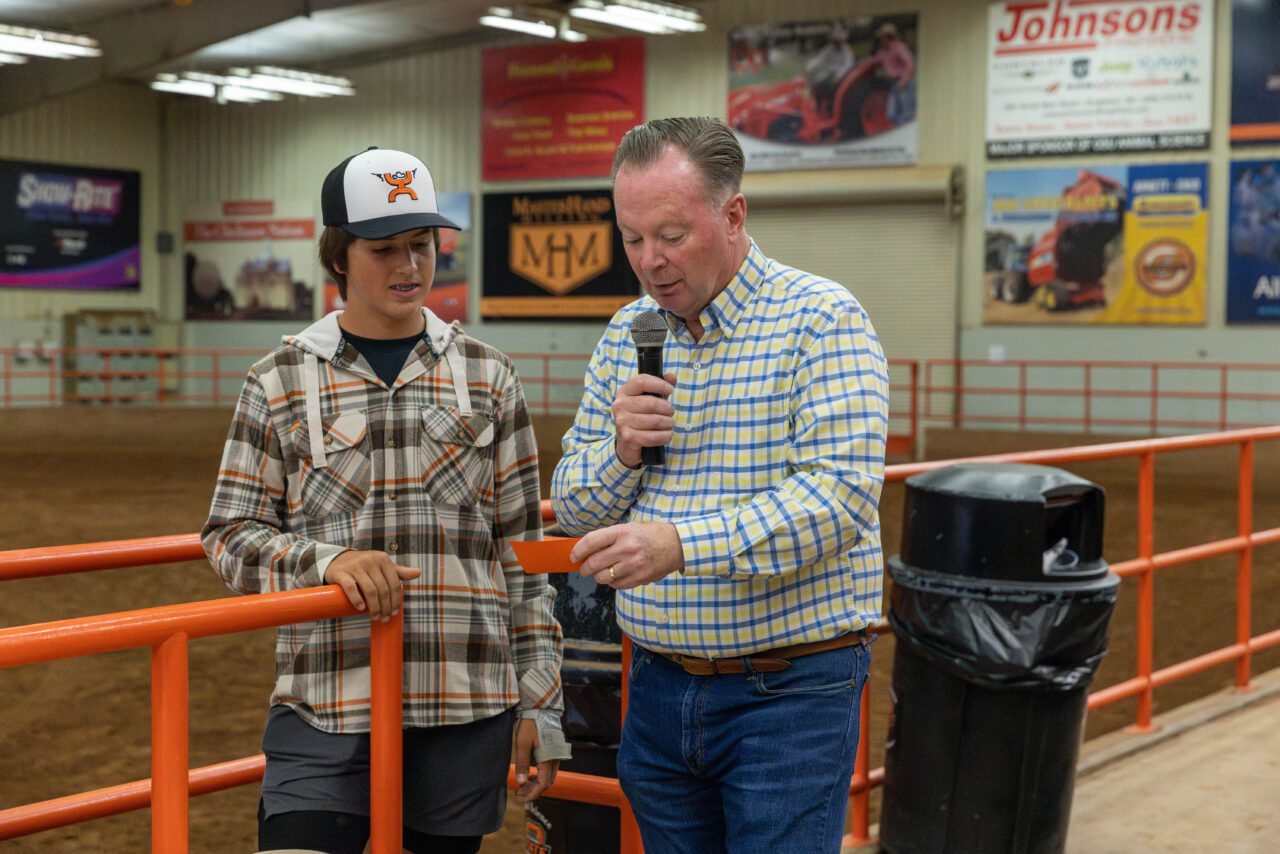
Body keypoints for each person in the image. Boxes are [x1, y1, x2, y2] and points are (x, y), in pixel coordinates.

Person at [203, 146, 570, 854]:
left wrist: (541, 701)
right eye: (384, 249)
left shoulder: (491, 377)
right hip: (325, 703)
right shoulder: (278, 380)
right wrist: (326, 563)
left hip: (465, 706)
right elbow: (230, 534)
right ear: (338, 257)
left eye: (422, 244)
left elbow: (524, 557)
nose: (410, 266)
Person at [550, 117, 890, 854]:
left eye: (671, 235)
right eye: (632, 238)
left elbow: (836, 498)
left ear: (733, 215)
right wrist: (622, 451)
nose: (650, 261)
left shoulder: (822, 321)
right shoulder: (628, 332)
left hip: (790, 693)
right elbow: (573, 505)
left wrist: (679, 544)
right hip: (657, 689)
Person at [804, 21, 856, 115]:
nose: (835, 42)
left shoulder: (846, 50)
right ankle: (817, 106)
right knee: (816, 83)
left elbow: (848, 64)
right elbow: (819, 58)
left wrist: (840, 73)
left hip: (843, 76)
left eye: (838, 39)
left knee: (830, 85)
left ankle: (832, 108)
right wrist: (811, 64)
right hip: (831, 74)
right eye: (834, 39)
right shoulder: (829, 49)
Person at [873, 21, 916, 125]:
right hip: (894, 83)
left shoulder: (898, 47)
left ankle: (909, 130)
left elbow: (910, 64)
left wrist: (904, 80)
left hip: (903, 83)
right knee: (891, 114)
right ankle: (906, 129)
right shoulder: (883, 52)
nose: (882, 40)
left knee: (908, 114)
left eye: (883, 37)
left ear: (889, 37)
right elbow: (875, 60)